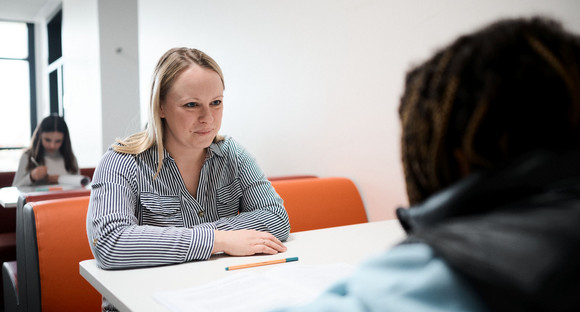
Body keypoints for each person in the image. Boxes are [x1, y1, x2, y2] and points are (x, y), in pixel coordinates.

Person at [274, 17, 580, 311]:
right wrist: (225, 236)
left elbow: (275, 217)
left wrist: (225, 233)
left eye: (222, 101)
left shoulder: (450, 275)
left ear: (455, 153)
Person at [87, 48, 290, 309]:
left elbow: (275, 217)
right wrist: (219, 240)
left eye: (216, 103)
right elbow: (110, 242)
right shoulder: (120, 161)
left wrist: (183, 239)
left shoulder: (233, 154)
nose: (208, 118)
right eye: (191, 105)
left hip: (220, 297)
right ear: (160, 106)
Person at [12, 114, 79, 187]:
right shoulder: (27, 157)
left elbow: (80, 184)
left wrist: (59, 179)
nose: (52, 145)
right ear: (39, 136)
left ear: (64, 141)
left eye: (58, 141)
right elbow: (15, 188)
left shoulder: (70, 158)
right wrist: (31, 177)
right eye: (47, 140)